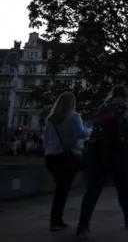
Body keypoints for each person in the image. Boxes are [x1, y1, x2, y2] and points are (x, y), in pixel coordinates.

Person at [76, 85, 128, 239]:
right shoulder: (123, 108)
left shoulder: (103, 107)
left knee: (92, 191)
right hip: (117, 153)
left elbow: (95, 126)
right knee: (123, 190)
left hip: (97, 153)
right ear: (126, 95)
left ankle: (83, 226)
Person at [43, 92, 92, 231]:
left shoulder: (50, 119)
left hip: (51, 157)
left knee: (60, 189)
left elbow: (46, 139)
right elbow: (80, 134)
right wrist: (90, 131)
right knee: (63, 189)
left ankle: (56, 219)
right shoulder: (74, 117)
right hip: (66, 157)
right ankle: (56, 220)